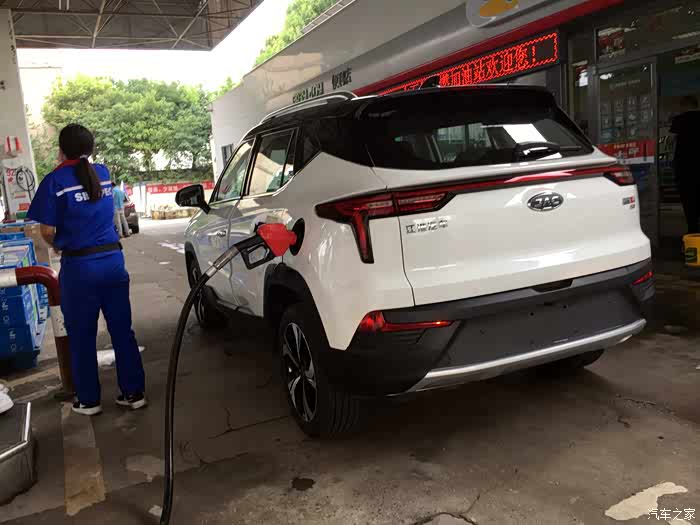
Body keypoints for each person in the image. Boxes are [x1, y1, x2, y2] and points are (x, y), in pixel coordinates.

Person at [26, 124, 146, 415]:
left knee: (81, 335)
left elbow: (46, 230)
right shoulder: (101, 173)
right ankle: (133, 393)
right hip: (113, 263)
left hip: (80, 268)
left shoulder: (55, 181)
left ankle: (89, 400)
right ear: (90, 149)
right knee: (122, 330)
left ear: (61, 149)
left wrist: (57, 245)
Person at [670, 95, 700, 233]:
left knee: (689, 200)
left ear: (684, 106)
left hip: (685, 167)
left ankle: (693, 231)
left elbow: (670, 141)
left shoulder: (679, 120)